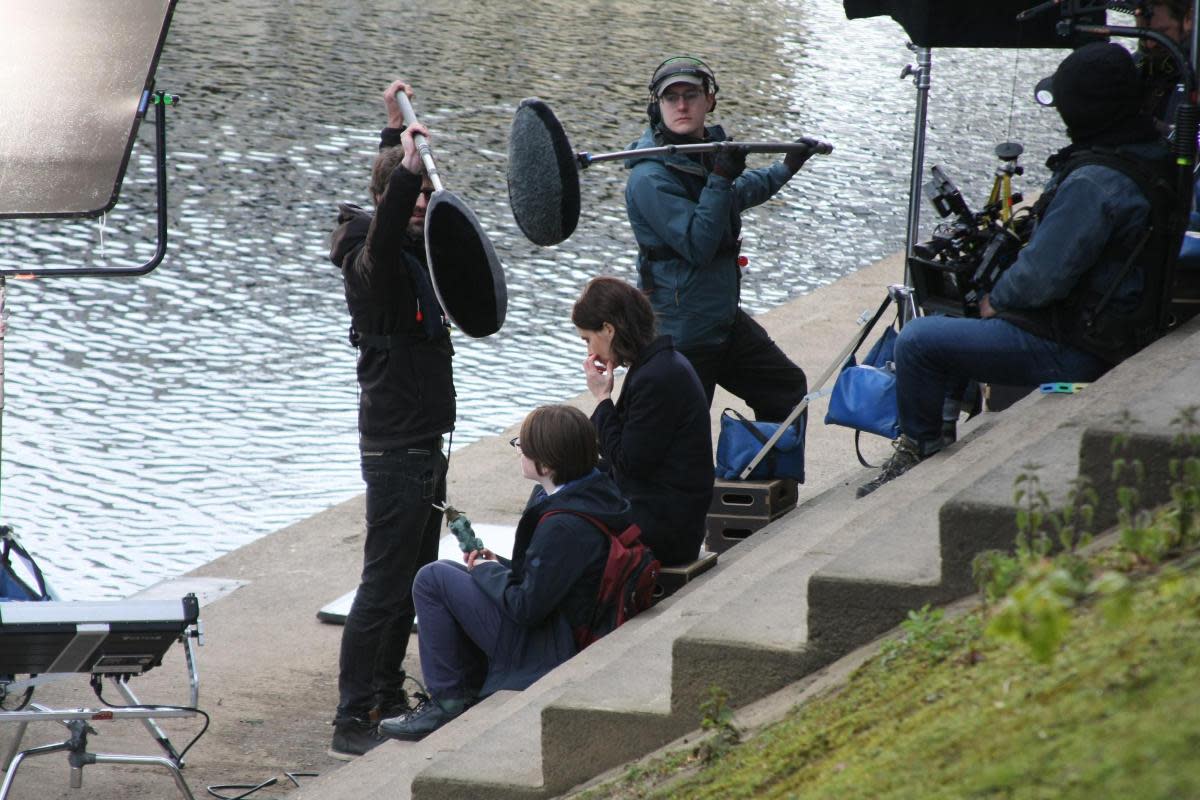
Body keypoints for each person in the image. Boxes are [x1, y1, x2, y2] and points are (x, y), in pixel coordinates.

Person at [858, 42, 1175, 499]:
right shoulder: (1150, 151)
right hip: (1119, 323)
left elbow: (1041, 278)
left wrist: (997, 300)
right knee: (956, 328)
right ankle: (945, 426)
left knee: (918, 342)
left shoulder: (1094, 182)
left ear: (1084, 112)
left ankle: (918, 449)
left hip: (1080, 344)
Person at [326, 80, 455, 758]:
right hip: (398, 446)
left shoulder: (403, 241)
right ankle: (353, 718)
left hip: (424, 440)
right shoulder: (369, 267)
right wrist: (405, 174)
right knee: (382, 585)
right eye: (413, 198)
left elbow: (395, 200)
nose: (423, 209)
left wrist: (393, 131)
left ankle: (387, 691)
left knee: (415, 575)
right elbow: (384, 222)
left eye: (426, 197)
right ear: (387, 204)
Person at [377, 404, 630, 741]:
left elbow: (526, 607)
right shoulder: (592, 491)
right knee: (451, 573)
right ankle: (464, 686)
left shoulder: (564, 526)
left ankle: (449, 701)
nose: (519, 451)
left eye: (523, 446)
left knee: (432, 579)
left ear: (547, 461)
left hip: (550, 645)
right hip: (564, 622)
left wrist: (485, 572)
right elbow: (550, 578)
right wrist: (498, 564)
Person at [624, 56, 817, 423]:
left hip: (721, 320)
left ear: (709, 100)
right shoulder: (649, 178)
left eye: (691, 95)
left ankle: (753, 474)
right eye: (671, 98)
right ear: (657, 105)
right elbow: (699, 244)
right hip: (681, 333)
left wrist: (785, 167)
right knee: (683, 433)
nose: (681, 106)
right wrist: (719, 178)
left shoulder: (702, 154)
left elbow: (734, 194)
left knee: (785, 388)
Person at [572, 277, 713, 566]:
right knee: (559, 481)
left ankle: (530, 587)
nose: (589, 352)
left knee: (559, 506)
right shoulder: (657, 365)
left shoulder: (656, 377)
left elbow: (628, 462)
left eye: (588, 339)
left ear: (608, 330)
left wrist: (602, 399)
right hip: (667, 513)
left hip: (666, 531)